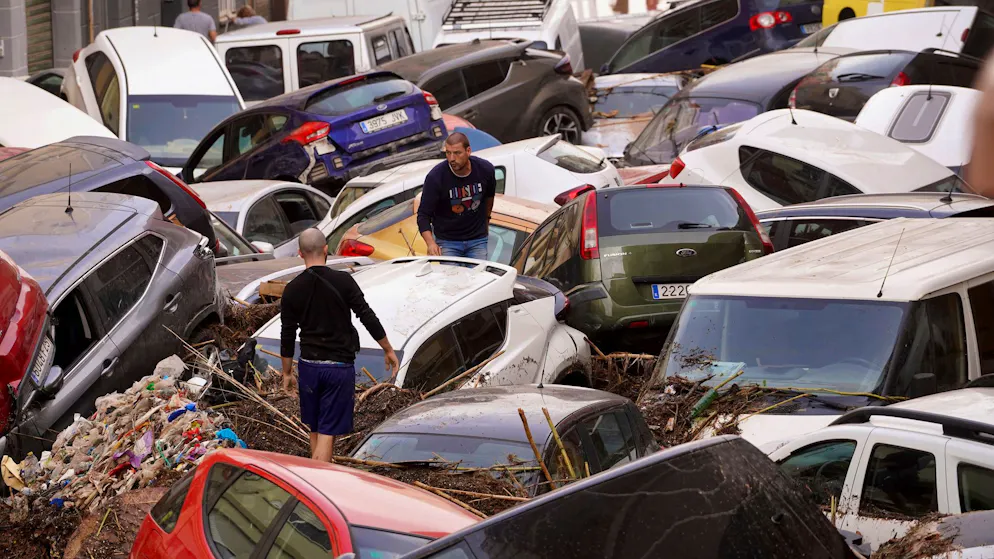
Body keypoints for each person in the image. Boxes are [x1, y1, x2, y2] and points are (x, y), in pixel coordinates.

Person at [280, 228, 400, 462]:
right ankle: (318, 479)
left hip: (308, 367)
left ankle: (316, 470)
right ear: (326, 249)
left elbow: (287, 334)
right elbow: (366, 316)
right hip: (337, 368)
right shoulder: (343, 281)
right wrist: (387, 349)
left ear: (300, 253)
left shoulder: (292, 289)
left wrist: (286, 373)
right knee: (327, 432)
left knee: (316, 427)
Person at [417, 132, 497, 259]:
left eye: (457, 153)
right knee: (452, 272)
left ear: (468, 151)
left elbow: (489, 197)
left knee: (479, 272)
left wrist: (487, 220)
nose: (452, 159)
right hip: (448, 241)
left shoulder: (485, 169)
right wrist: (431, 243)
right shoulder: (436, 177)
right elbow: (423, 215)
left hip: (477, 239)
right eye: (448, 153)